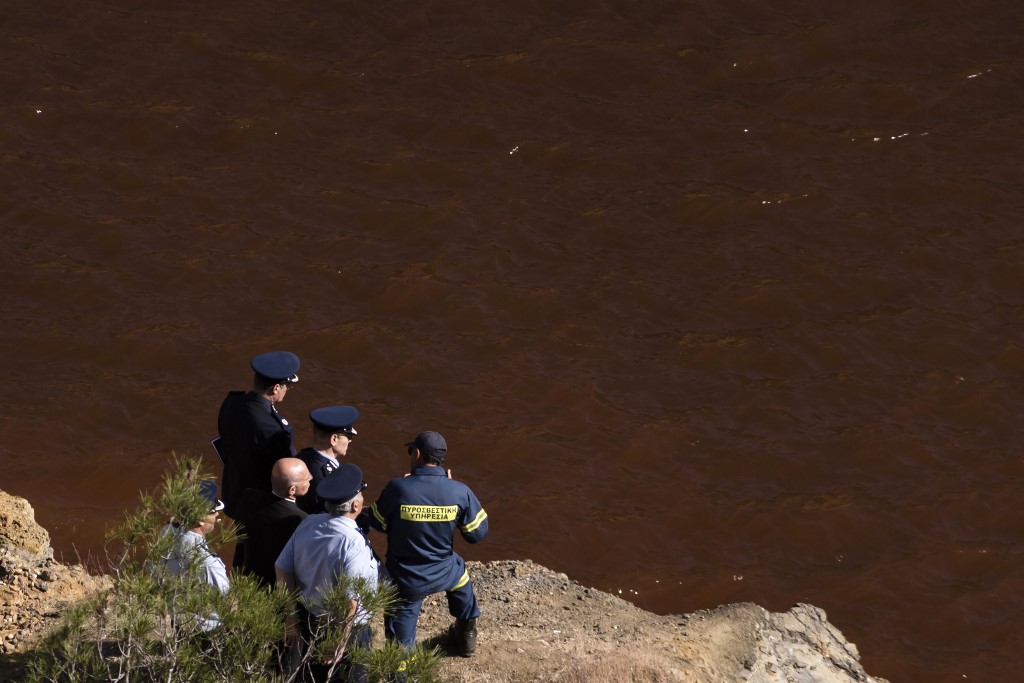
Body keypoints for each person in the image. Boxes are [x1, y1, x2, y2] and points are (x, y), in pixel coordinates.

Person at [366, 431, 488, 657]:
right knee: (461, 577)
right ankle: (467, 633)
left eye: (411, 451)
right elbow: (476, 534)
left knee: (400, 638)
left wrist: (404, 491)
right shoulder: (460, 491)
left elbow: (377, 523)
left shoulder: (398, 488)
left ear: (418, 454)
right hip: (445, 570)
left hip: (406, 578)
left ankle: (400, 670)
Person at [276, 464, 381, 683]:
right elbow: (350, 599)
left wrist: (290, 617)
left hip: (308, 619)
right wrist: (340, 640)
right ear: (356, 505)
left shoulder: (308, 523)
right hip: (345, 629)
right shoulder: (353, 543)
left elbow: (282, 568)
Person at [217, 351, 301, 519]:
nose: (288, 390)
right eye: (287, 386)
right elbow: (288, 473)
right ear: (276, 388)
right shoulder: (274, 427)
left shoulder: (232, 402)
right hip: (262, 506)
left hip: (233, 493)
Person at [159, 480, 230, 632]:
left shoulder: (167, 533)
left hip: (179, 626)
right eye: (212, 511)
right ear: (199, 520)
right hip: (207, 635)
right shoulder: (207, 563)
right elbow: (224, 599)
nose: (217, 514)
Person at [234, 457, 312, 588]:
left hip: (247, 585)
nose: (311, 478)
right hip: (278, 591)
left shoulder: (249, 499)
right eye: (307, 478)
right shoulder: (302, 520)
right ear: (292, 490)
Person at [296, 406, 359, 515]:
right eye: (349, 436)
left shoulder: (301, 457)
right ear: (334, 439)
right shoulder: (328, 478)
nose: (350, 441)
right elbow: (335, 514)